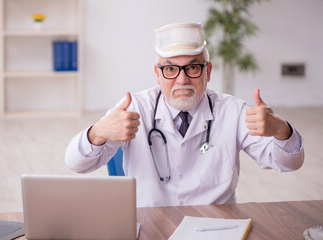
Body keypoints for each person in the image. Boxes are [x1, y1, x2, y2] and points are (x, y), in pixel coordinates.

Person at [65, 22, 304, 207]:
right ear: (157, 74)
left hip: (216, 229)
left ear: (207, 71)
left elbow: (289, 163)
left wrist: (282, 131)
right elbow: (76, 164)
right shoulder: (134, 108)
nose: (182, 80)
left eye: (192, 67)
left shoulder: (233, 111)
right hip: (151, 228)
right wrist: (98, 132)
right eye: (170, 69)